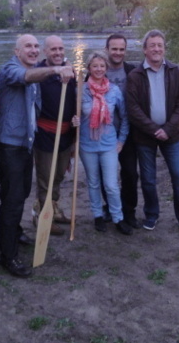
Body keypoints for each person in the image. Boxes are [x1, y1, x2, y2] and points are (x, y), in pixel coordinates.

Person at [0, 34, 74, 277]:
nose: (32, 50)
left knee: (23, 193)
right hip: (10, 145)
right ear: (16, 50)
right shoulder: (11, 69)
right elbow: (27, 78)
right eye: (27, 46)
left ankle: (16, 232)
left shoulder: (31, 69)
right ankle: (8, 256)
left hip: (25, 144)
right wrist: (56, 69)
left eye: (35, 46)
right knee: (12, 200)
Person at [126, 30, 179, 235]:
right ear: (145, 49)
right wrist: (154, 129)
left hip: (171, 136)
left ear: (164, 48)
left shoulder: (177, 72)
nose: (157, 49)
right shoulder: (135, 75)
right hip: (144, 137)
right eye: (152, 45)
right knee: (148, 179)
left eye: (160, 45)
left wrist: (167, 129)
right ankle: (151, 214)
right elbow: (133, 109)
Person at [75, 51, 133, 236]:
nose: (98, 69)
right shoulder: (80, 90)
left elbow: (125, 117)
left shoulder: (114, 91)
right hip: (87, 145)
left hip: (109, 144)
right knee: (93, 183)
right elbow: (72, 115)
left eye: (102, 66)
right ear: (88, 68)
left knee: (111, 184)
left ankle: (118, 218)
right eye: (95, 66)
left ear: (106, 68)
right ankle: (98, 215)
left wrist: (121, 140)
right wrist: (73, 121)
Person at [31, 35, 77, 237]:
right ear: (45, 52)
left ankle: (54, 207)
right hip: (46, 134)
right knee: (45, 179)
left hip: (66, 133)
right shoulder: (39, 74)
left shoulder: (71, 72)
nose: (58, 53)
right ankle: (41, 215)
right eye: (53, 49)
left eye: (60, 49)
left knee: (58, 175)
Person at [104, 33, 140, 228]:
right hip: (103, 133)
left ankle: (129, 211)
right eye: (114, 49)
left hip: (128, 134)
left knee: (129, 173)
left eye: (121, 49)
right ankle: (109, 208)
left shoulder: (132, 71)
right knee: (105, 174)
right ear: (107, 50)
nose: (118, 53)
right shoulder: (98, 70)